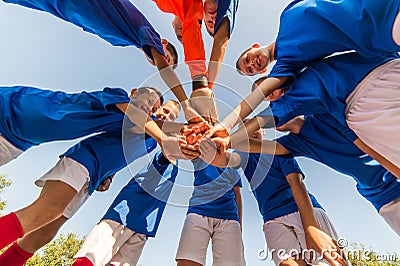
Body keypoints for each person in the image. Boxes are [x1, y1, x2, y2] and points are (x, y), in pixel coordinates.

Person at [0, 98, 180, 262]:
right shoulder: (141, 119)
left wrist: (109, 176)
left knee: (43, 234)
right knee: (45, 211)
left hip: (93, 177)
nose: (165, 115)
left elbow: (123, 154)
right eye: (163, 109)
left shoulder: (152, 142)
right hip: (83, 160)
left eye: (171, 115)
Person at [208, 0, 400, 143]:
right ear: (263, 71)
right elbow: (261, 96)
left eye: (247, 59)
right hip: (384, 30)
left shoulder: (287, 13)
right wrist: (227, 127)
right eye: (251, 70)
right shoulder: (287, 63)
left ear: (254, 46)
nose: (252, 63)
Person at [202, 113, 400, 237]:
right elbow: (228, 159)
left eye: (254, 127)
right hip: (272, 215)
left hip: (305, 208)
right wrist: (213, 149)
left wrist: (310, 228)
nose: (251, 131)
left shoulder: (281, 148)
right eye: (245, 128)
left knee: (327, 259)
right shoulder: (245, 156)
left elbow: (297, 184)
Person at [4, 0, 203, 122]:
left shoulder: (126, 38)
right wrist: (186, 105)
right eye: (166, 58)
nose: (160, 63)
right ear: (164, 43)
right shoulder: (147, 31)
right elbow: (164, 70)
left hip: (63, 8)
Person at [207, 51, 400, 177]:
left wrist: (228, 135)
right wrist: (223, 144)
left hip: (381, 77)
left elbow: (269, 114)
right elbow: (261, 140)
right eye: (267, 99)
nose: (270, 98)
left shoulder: (320, 104)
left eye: (267, 91)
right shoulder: (298, 142)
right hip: (383, 183)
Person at [0, 85, 170, 167]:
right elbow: (136, 115)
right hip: (8, 105)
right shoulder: (118, 96)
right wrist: (162, 138)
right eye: (149, 102)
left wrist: (108, 176)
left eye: (153, 110)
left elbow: (115, 149)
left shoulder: (122, 125)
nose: (150, 110)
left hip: (15, 143)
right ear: (134, 93)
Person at [72, 150, 181, 266]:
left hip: (144, 226)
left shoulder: (175, 168)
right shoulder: (166, 157)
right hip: (122, 217)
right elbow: (164, 156)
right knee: (92, 257)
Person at [175, 158, 245, 266]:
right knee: (187, 261)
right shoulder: (200, 156)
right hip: (199, 211)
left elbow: (237, 196)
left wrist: (239, 228)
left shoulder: (232, 166)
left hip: (229, 217)